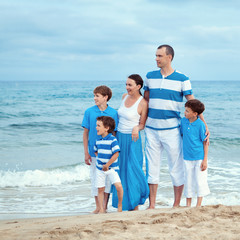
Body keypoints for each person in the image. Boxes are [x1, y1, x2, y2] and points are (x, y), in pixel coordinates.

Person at [144, 44, 209, 208]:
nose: (156, 59)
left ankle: (176, 204)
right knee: (152, 168)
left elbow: (192, 103)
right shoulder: (150, 76)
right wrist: (139, 124)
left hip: (172, 130)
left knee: (176, 168)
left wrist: (204, 123)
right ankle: (151, 205)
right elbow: (144, 101)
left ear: (169, 57)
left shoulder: (182, 79)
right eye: (156, 55)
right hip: (151, 130)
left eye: (159, 56)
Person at [112, 74, 149, 211]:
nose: (127, 87)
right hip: (119, 138)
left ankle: (135, 205)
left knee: (133, 170)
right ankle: (122, 205)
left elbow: (142, 125)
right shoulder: (123, 97)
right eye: (126, 84)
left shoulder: (143, 103)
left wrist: (136, 127)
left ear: (138, 86)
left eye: (130, 85)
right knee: (120, 171)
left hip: (133, 140)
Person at [82, 85, 118, 213]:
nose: (94, 98)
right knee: (95, 179)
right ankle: (98, 207)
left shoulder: (113, 113)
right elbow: (86, 133)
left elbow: (114, 134)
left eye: (97, 96)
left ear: (105, 97)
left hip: (108, 154)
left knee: (107, 181)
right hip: (93, 153)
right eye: (94, 95)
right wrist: (86, 152)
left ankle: (105, 206)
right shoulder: (89, 112)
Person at [180, 99, 210, 207]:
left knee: (200, 181)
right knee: (188, 180)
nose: (185, 113)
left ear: (195, 114)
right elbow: (182, 135)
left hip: (199, 157)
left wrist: (205, 160)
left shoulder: (200, 125)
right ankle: (188, 204)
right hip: (187, 157)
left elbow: (205, 143)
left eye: (187, 111)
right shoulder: (183, 121)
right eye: (185, 110)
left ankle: (198, 205)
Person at [94, 116, 123, 213]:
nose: (96, 128)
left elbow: (116, 153)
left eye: (98, 126)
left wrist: (107, 164)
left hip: (111, 168)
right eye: (96, 125)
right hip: (100, 169)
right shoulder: (98, 140)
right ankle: (102, 209)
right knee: (100, 188)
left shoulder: (112, 140)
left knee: (118, 186)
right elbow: (95, 151)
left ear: (107, 128)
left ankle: (120, 205)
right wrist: (100, 161)